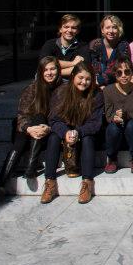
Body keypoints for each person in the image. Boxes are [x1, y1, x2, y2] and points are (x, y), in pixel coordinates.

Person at [0, 56, 60, 200]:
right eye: (45, 70)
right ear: (40, 72)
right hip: (27, 132)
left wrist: (47, 127)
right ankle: (2, 183)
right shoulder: (32, 88)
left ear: (58, 70)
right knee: (24, 134)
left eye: (52, 69)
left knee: (40, 118)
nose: (49, 73)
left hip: (49, 132)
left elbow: (62, 116)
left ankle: (28, 167)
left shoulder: (63, 89)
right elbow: (22, 115)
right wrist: (29, 128)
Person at [40, 63, 104, 204]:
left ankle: (87, 183)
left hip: (87, 131)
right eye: (80, 78)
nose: (84, 82)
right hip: (65, 129)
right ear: (73, 76)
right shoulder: (61, 92)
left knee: (88, 139)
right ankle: (50, 182)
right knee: (53, 137)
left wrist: (78, 132)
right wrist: (65, 132)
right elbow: (54, 119)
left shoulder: (97, 94)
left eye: (88, 79)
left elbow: (95, 123)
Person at [102, 58, 133, 175]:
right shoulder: (108, 91)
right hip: (117, 128)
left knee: (132, 125)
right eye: (119, 72)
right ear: (115, 74)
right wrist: (114, 117)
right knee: (112, 127)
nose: (123, 75)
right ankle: (112, 158)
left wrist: (125, 114)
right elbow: (108, 114)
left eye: (127, 72)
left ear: (132, 73)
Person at [39, 14, 87, 78]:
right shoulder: (49, 44)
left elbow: (82, 69)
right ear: (60, 29)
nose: (69, 30)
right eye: (66, 27)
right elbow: (44, 63)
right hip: (48, 79)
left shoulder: (83, 46)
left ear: (77, 31)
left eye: (73, 28)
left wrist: (54, 72)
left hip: (69, 81)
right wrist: (72, 63)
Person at [88, 14, 130, 87]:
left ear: (119, 29)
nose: (111, 31)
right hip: (95, 86)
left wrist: (101, 81)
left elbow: (121, 69)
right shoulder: (95, 45)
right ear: (102, 30)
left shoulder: (123, 45)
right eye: (107, 27)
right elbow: (93, 67)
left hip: (117, 85)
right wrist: (99, 84)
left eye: (114, 28)